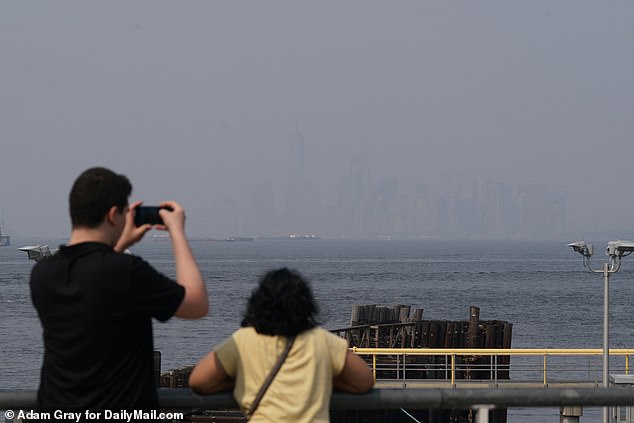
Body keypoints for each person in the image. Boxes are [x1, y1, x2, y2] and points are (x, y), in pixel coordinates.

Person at [29, 166, 208, 414]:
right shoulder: (127, 271)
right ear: (113, 215)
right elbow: (196, 304)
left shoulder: (42, 274)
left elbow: (93, 277)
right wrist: (177, 231)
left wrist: (122, 242)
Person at [189, 268, 374, 422]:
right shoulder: (321, 340)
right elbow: (364, 381)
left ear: (258, 304)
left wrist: (241, 382)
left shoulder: (243, 339)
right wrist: (321, 381)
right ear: (306, 305)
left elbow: (199, 381)